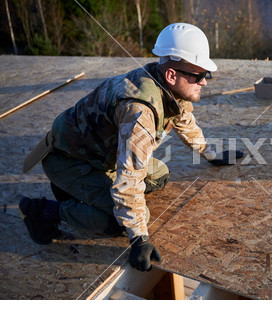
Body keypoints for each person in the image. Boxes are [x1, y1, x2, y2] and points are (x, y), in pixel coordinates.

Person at [19, 23, 243, 272]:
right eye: (199, 76)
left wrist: (210, 154)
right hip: (68, 160)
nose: (205, 83)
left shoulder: (165, 86)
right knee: (119, 221)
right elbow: (129, 181)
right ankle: (43, 211)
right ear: (171, 75)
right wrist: (139, 239)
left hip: (99, 156)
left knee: (159, 174)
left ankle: (78, 192)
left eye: (206, 75)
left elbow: (183, 119)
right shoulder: (140, 112)